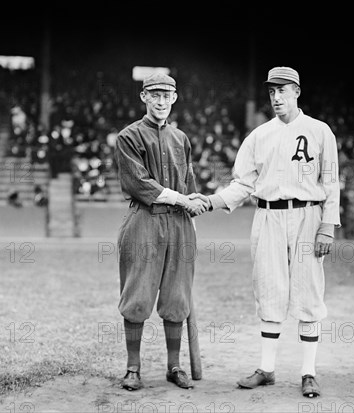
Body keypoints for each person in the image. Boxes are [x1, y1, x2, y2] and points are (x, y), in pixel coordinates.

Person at [191, 66, 341, 398]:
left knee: (308, 291)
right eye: (271, 92)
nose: (276, 97)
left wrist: (328, 226)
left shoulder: (320, 131)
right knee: (269, 288)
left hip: (308, 216)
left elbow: (330, 182)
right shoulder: (259, 136)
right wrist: (212, 201)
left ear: (297, 92)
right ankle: (267, 368)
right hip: (268, 215)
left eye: (282, 91)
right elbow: (242, 184)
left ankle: (308, 372)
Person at [114, 73, 208, 391]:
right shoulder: (128, 137)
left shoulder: (181, 139)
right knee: (137, 295)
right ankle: (133, 368)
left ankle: (174, 366)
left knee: (176, 297)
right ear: (143, 97)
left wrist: (192, 208)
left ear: (175, 99)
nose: (160, 100)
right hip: (144, 220)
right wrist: (182, 198)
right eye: (154, 94)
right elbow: (139, 184)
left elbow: (190, 185)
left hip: (180, 224)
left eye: (166, 95)